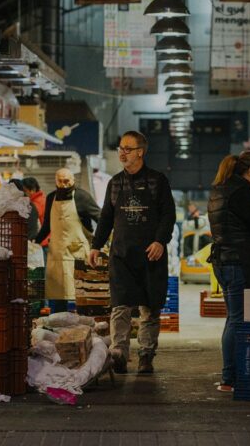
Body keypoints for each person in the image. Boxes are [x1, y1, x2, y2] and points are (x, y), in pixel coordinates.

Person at [89, 131, 176, 375]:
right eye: (120, 148)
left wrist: (160, 241)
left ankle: (146, 355)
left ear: (141, 151)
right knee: (120, 307)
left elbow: (169, 215)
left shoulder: (157, 181)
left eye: (128, 148)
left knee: (150, 308)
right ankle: (119, 353)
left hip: (151, 256)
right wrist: (96, 245)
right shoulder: (115, 183)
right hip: (122, 255)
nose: (122, 152)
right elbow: (106, 217)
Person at [207, 152, 250, 393]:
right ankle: (229, 379)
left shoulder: (219, 189)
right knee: (237, 320)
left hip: (223, 261)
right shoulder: (241, 191)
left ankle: (230, 377)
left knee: (232, 318)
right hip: (238, 262)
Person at [35, 168, 101, 312]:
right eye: (60, 181)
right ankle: (59, 327)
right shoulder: (50, 198)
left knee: (82, 293)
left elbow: (101, 218)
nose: (64, 184)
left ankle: (84, 325)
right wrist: (34, 242)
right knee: (58, 293)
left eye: (67, 181)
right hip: (57, 254)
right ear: (55, 181)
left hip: (78, 253)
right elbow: (47, 225)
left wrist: (98, 242)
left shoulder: (82, 197)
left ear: (73, 181)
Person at [22, 177, 48, 247]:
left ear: (33, 190)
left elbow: (32, 222)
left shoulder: (37, 203)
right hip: (46, 239)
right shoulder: (42, 197)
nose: (23, 194)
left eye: (25, 191)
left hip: (42, 241)